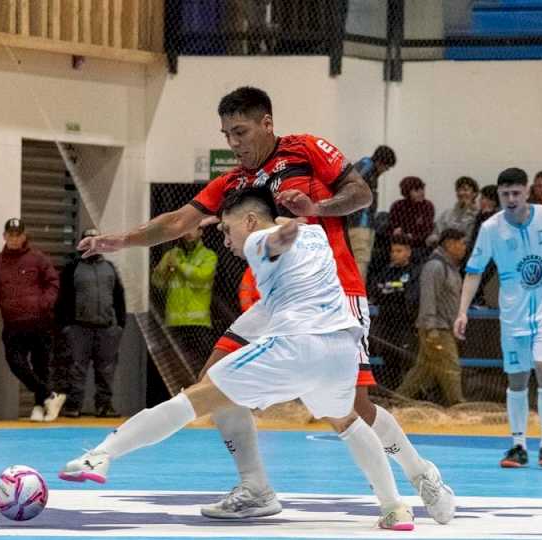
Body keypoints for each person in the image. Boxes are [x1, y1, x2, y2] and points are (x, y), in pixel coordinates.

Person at [75, 86, 454, 524]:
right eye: (227, 135)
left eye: (241, 131)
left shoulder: (305, 150)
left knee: (354, 410)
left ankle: (420, 473)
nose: (234, 143)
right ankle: (255, 487)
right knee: (211, 386)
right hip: (274, 301)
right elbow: (180, 221)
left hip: (332, 294)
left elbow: (361, 194)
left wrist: (319, 206)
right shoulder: (234, 182)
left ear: (266, 123)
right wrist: (119, 240)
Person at [60, 189, 416, 531]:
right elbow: (286, 230)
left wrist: (281, 234)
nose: (226, 240)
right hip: (341, 350)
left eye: (227, 229)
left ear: (249, 221)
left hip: (295, 344)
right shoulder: (316, 234)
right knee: (348, 421)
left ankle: (101, 454)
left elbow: (272, 242)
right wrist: (291, 223)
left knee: (195, 398)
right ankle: (394, 507)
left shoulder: (257, 241)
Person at [454, 168, 542, 469]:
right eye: (505, 194)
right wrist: (462, 311)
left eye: (516, 193)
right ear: (498, 195)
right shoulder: (491, 228)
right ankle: (518, 446)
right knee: (517, 379)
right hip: (513, 316)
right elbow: (474, 271)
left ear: (527, 192)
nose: (510, 199)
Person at [0, 218, 66, 422]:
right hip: (13, 323)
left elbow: (53, 282)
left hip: (39, 322)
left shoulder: (38, 259)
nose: (13, 239)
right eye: (10, 235)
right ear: (4, 236)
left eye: (17, 235)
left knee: (41, 364)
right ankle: (50, 396)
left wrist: (44, 304)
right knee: (15, 362)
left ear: (24, 236)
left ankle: (39, 406)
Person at [54, 228, 127, 418]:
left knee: (106, 370)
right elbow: (62, 298)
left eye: (95, 240)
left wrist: (120, 324)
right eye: (88, 240)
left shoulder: (110, 268)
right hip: (79, 328)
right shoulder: (72, 268)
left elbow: (119, 297)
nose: (92, 244)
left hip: (107, 329)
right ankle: (73, 405)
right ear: (82, 244)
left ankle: (104, 406)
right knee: (76, 369)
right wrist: (66, 326)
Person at [400, 229, 468, 406]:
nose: (464, 247)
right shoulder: (435, 267)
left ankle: (398, 400)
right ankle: (458, 405)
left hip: (444, 326)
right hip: (437, 329)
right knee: (450, 367)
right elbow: (428, 298)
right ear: (449, 244)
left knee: (423, 369)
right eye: (461, 243)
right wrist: (431, 329)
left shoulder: (450, 267)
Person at [150, 226, 218, 375]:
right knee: (175, 368)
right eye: (186, 229)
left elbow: (201, 277)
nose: (188, 232)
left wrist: (179, 265)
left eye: (193, 228)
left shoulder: (208, 256)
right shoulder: (172, 255)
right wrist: (163, 270)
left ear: (201, 232)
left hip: (197, 323)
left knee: (200, 367)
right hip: (175, 322)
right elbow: (157, 282)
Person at [368, 237, 422, 385]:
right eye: (393, 251)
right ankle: (390, 390)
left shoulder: (414, 272)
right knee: (387, 358)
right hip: (386, 322)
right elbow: (376, 291)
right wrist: (394, 289)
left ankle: (404, 390)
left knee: (405, 359)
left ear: (408, 252)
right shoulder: (385, 271)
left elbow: (409, 294)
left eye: (399, 251)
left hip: (405, 323)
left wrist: (389, 289)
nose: (395, 254)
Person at [348, 145, 397, 281]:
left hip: (365, 224)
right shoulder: (365, 167)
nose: (385, 171)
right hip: (359, 224)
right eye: (386, 168)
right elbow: (349, 185)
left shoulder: (369, 170)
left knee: (362, 261)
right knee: (360, 261)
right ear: (380, 162)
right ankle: (358, 297)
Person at [389, 176, 435, 262]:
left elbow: (427, 231)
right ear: (407, 192)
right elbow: (393, 228)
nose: (422, 193)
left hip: (419, 245)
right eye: (417, 190)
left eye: (422, 189)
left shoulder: (427, 206)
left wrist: (411, 236)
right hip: (400, 243)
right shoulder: (397, 206)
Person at [428, 176, 479, 247]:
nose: (461, 193)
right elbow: (436, 233)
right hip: (443, 248)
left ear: (474, 193)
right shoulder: (447, 213)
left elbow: (471, 238)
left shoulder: (478, 215)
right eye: (458, 190)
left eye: (465, 190)